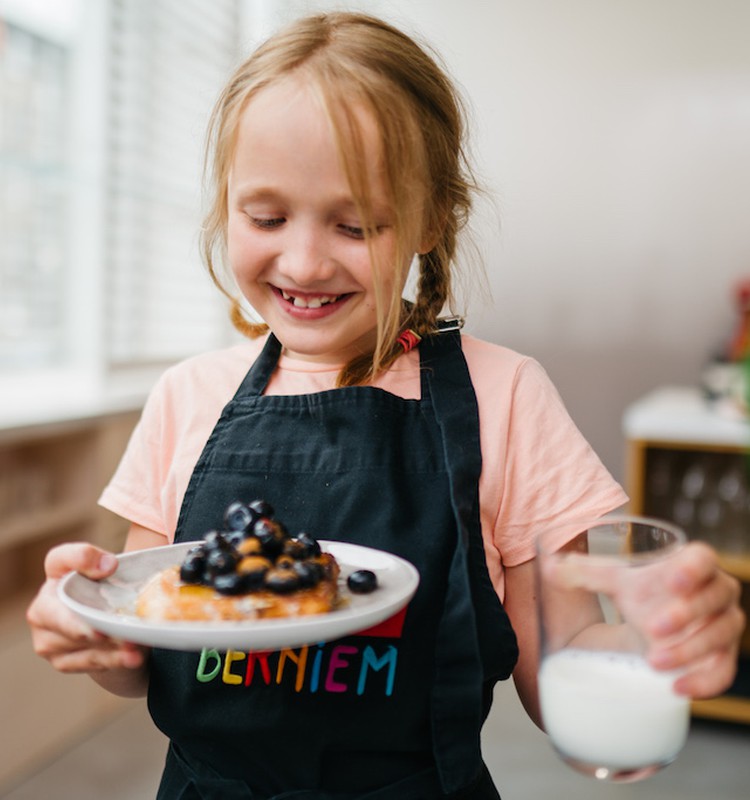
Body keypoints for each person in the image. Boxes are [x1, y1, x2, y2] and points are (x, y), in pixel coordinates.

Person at [27, 12, 744, 799]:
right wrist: (96, 635)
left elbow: (567, 658)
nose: (302, 260)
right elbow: (147, 652)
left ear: (432, 218)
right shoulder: (184, 397)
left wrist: (663, 644)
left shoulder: (507, 398)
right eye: (265, 217)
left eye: (356, 224)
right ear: (224, 207)